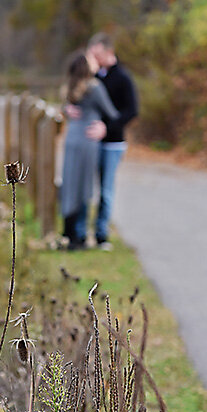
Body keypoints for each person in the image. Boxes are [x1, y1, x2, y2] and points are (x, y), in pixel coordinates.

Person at [60, 51, 119, 250]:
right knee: (84, 186)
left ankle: (68, 231)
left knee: (69, 183)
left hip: (71, 139)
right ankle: (80, 234)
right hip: (87, 140)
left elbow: (65, 107)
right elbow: (112, 113)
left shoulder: (70, 87)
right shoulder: (95, 87)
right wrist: (103, 124)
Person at [86, 32, 139, 250]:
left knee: (106, 191)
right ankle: (83, 231)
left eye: (97, 55)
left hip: (113, 143)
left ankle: (101, 234)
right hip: (92, 143)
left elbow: (131, 111)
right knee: (89, 188)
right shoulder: (94, 78)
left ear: (109, 52)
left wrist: (107, 128)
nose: (95, 59)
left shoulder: (123, 78)